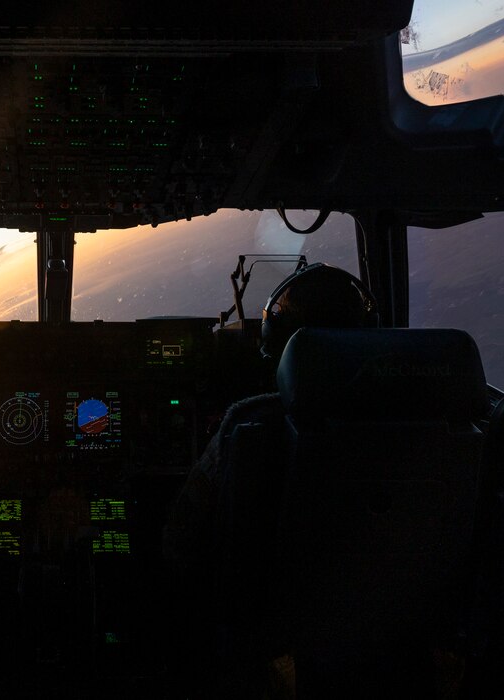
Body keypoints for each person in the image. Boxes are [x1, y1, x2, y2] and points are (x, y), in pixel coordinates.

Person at [160, 262, 377, 696]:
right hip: (390, 638)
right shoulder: (435, 420)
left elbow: (178, 546)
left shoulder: (249, 424)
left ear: (278, 346)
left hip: (274, 648)